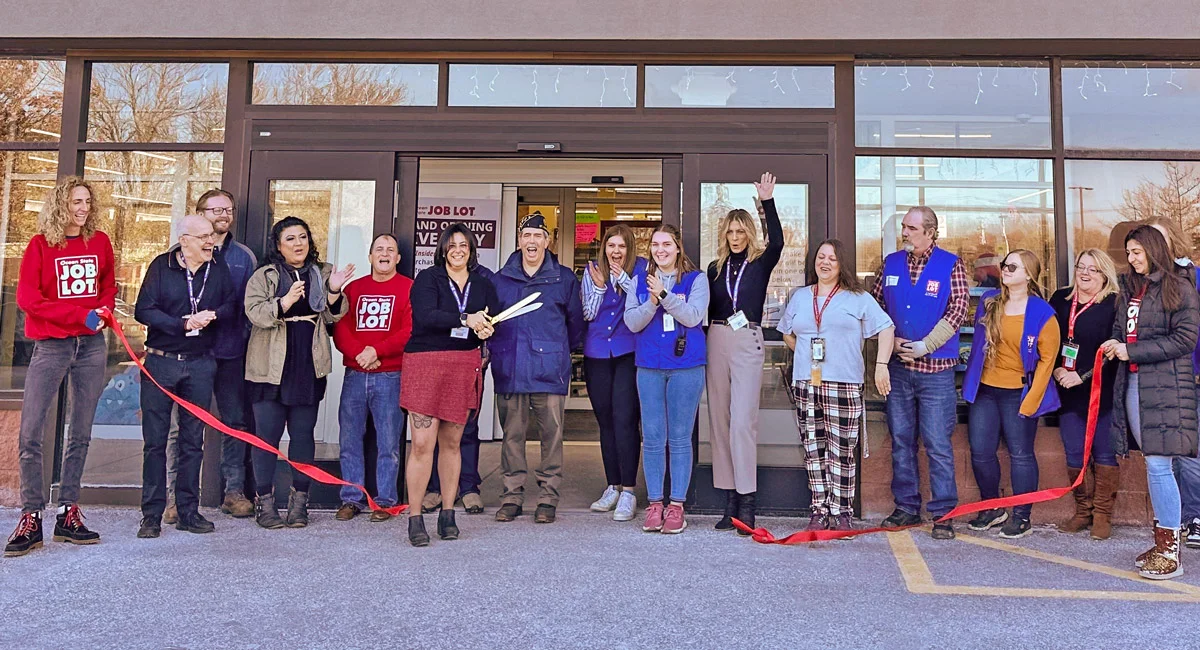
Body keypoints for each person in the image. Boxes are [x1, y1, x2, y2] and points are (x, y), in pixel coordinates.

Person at [5, 177, 115, 557]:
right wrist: (78, 315)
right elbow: (29, 300)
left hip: (91, 348)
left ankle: (68, 513)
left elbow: (107, 285)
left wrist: (103, 311)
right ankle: (31, 515)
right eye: (74, 202)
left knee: (80, 432)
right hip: (51, 346)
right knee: (31, 432)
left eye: (86, 201)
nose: (82, 208)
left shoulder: (99, 242)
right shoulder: (40, 246)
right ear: (58, 207)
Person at [1103, 225, 1199, 580]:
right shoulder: (1132, 287)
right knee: (1154, 464)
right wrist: (1116, 344)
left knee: (1160, 465)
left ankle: (1170, 552)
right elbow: (1122, 328)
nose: (1131, 258)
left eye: (1137, 252)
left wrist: (1130, 350)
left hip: (1167, 387)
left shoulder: (1180, 287)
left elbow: (1185, 340)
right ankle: (1162, 543)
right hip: (1135, 383)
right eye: (1128, 252)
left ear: (1154, 249)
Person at [778, 239, 894, 533]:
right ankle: (818, 509)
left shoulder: (857, 297)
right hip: (808, 382)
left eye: (832, 258)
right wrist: (807, 354)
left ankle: (842, 511)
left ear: (842, 264)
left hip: (844, 383)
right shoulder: (801, 297)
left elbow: (886, 328)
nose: (825, 262)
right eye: (820, 257)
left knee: (841, 451)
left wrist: (881, 366)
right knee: (813, 449)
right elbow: (787, 334)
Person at [244, 216, 353, 530]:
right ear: (279, 245)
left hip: (308, 365)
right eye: (290, 238)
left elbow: (334, 316)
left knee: (304, 436)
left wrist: (333, 291)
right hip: (269, 368)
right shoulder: (264, 275)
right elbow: (254, 313)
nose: (298, 243)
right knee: (266, 438)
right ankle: (264, 504)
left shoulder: (323, 272)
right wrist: (284, 301)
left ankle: (298, 504)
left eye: (303, 237)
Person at [134, 214, 237, 539]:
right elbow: (143, 310)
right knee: (155, 442)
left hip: (200, 364)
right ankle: (151, 515)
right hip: (161, 362)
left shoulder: (216, 268)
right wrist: (182, 323)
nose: (211, 241)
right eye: (204, 236)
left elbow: (232, 304)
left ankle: (188, 512)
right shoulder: (161, 267)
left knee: (194, 441)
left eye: (211, 236)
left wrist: (213, 316)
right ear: (185, 240)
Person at [872, 206, 970, 540]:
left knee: (938, 444)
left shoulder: (951, 264)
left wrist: (927, 344)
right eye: (904, 227)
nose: (905, 233)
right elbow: (876, 309)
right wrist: (891, 338)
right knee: (901, 442)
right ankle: (906, 508)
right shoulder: (890, 263)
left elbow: (958, 310)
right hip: (899, 371)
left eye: (911, 228)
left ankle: (943, 513)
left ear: (930, 231)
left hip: (936, 372)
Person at [161, 189, 259, 524]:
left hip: (230, 351)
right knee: (182, 425)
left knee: (235, 421)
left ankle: (233, 491)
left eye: (228, 209)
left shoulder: (243, 257)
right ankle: (175, 498)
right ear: (199, 213)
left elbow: (250, 305)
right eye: (215, 209)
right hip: (187, 353)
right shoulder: (176, 254)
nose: (222, 214)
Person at [400, 224, 499, 546]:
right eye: (452, 245)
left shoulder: (483, 283)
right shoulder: (428, 279)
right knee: (421, 444)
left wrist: (485, 330)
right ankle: (415, 518)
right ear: (442, 249)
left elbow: (490, 318)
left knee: (453, 444)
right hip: (425, 363)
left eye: (464, 245)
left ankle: (447, 513)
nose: (458, 250)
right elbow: (426, 316)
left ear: (472, 250)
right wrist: (465, 319)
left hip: (461, 364)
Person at [489, 212, 585, 525]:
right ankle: (512, 495)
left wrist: (555, 352)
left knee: (552, 436)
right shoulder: (499, 279)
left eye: (538, 236)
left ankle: (548, 497)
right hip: (510, 367)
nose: (532, 241)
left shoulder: (564, 278)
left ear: (547, 241)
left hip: (550, 370)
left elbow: (575, 325)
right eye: (526, 236)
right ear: (519, 240)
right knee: (512, 436)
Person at [961, 250, 1060, 539]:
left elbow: (1047, 360)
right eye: (1004, 265)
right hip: (986, 390)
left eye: (1012, 266)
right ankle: (992, 507)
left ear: (1028, 274)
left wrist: (1032, 400)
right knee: (980, 452)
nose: (1005, 269)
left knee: (1021, 454)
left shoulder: (1042, 312)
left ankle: (1021, 516)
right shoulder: (989, 302)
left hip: (1018, 391)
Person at [706, 172, 783, 533]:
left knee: (741, 423)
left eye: (741, 232)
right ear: (724, 235)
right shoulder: (714, 269)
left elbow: (779, 241)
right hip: (717, 338)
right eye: (730, 232)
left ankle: (747, 502)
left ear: (749, 233)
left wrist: (766, 202)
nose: (735, 238)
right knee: (720, 423)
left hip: (747, 340)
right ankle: (729, 503)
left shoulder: (760, 263)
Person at [625, 224, 709, 534]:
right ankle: (655, 503)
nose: (661, 250)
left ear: (677, 248)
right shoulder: (638, 281)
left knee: (679, 437)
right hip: (649, 366)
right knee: (653, 436)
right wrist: (651, 301)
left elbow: (694, 316)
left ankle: (676, 505)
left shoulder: (696, 279)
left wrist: (664, 294)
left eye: (667, 244)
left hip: (686, 367)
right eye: (656, 245)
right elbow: (632, 322)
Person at [332, 233, 412, 523]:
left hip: (391, 376)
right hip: (355, 374)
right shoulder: (354, 289)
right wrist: (361, 355)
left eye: (391, 249)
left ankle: (385, 501)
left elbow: (408, 331)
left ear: (398, 258)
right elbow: (340, 328)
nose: (385, 253)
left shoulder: (408, 289)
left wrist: (376, 351)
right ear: (370, 256)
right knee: (350, 440)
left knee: (388, 442)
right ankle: (351, 499)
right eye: (379, 249)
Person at [1050, 249, 1120, 539]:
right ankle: (1083, 512)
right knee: (1075, 452)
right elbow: (1049, 339)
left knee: (1104, 452)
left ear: (1105, 275)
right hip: (1067, 390)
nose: (1085, 273)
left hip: (1102, 391)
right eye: (1081, 266)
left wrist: (1083, 375)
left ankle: (1103, 515)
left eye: (1093, 269)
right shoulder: (1060, 299)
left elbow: (1115, 350)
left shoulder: (1114, 304)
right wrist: (1055, 370)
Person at [582, 224, 647, 522]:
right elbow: (588, 313)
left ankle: (630, 491)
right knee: (605, 421)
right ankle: (613, 486)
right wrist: (598, 287)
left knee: (625, 420)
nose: (616, 252)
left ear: (629, 248)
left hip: (627, 352)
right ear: (604, 247)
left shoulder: (642, 269)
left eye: (621, 246)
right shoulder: (593, 270)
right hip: (596, 353)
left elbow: (645, 304)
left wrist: (625, 280)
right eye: (611, 246)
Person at [1144, 215, 1200, 549]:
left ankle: (1194, 516)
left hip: (1191, 377)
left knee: (1190, 455)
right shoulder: (1149, 281)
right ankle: (1178, 519)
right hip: (1161, 380)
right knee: (1169, 456)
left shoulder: (1193, 277)